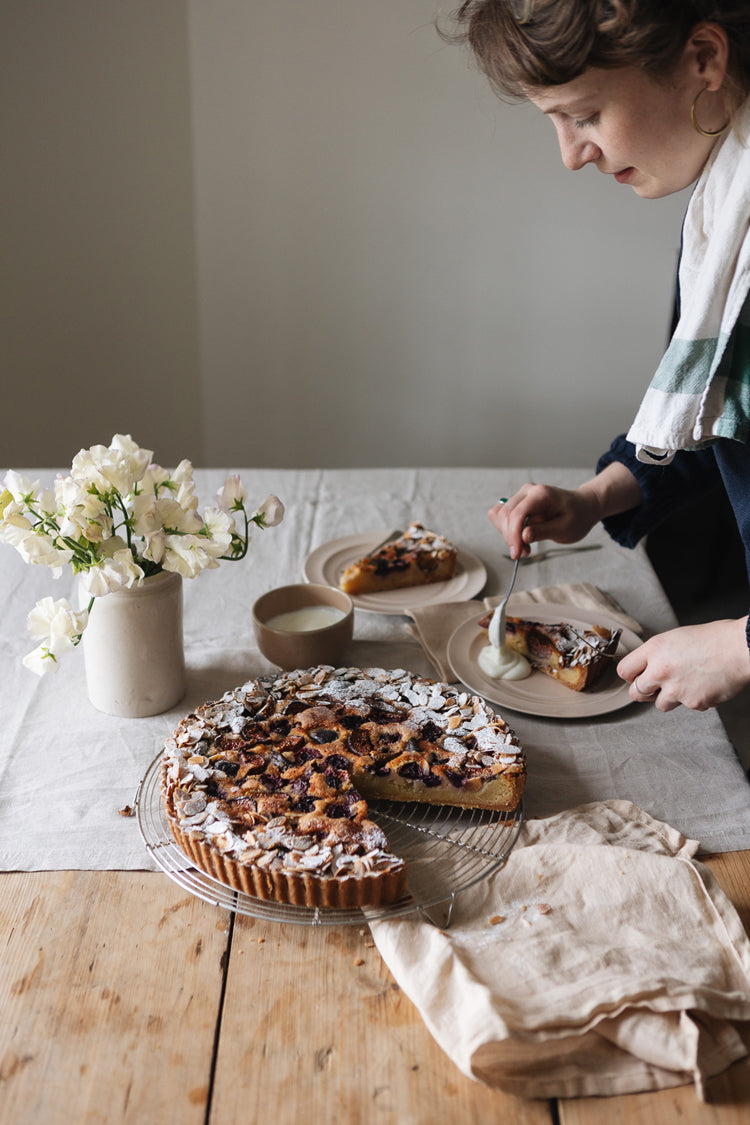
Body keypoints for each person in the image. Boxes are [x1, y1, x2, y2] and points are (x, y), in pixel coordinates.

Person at [441, 0, 750, 714]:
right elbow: (724, 421)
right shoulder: (727, 218)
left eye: (583, 115)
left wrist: (736, 645)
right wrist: (598, 495)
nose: (570, 153)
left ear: (704, 58)